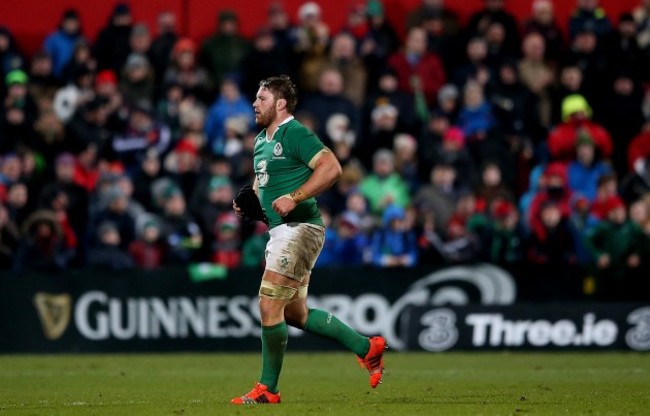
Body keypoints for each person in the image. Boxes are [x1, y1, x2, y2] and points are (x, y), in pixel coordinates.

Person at [230, 75, 386, 404]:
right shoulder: (260, 141)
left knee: (269, 303)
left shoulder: (295, 133)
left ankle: (268, 390)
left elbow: (331, 167)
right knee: (294, 314)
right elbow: (263, 188)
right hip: (282, 232)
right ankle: (366, 347)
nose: (254, 104)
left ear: (280, 103)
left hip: (300, 228)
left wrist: (295, 196)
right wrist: (249, 205)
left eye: (261, 98)